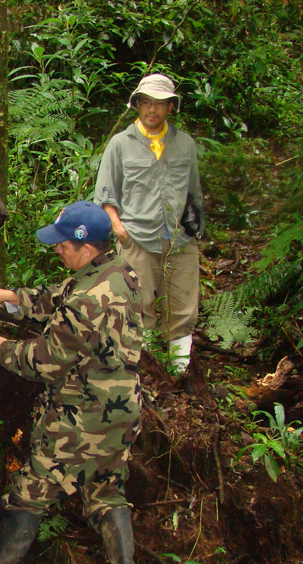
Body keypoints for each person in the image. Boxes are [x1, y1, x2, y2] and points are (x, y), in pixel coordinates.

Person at [0, 202, 144, 564]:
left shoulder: (88, 300)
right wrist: (12, 297)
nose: (57, 251)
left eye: (63, 245)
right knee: (107, 492)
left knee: (31, 490)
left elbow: (47, 359)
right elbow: (61, 297)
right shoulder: (118, 271)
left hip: (82, 415)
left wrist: (5, 352)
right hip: (121, 408)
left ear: (86, 248)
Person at [94, 73, 204, 373]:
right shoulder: (120, 145)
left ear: (171, 107)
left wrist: (195, 231)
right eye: (146, 102)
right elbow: (105, 194)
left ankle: (179, 372)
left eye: (159, 103)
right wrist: (119, 230)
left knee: (183, 306)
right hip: (136, 238)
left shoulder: (186, 145)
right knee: (138, 306)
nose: (152, 110)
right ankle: (147, 372)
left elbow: (194, 194)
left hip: (179, 240)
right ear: (137, 105)